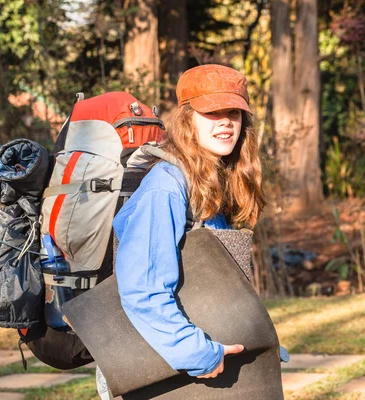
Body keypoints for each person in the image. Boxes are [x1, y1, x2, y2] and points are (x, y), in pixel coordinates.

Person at [106, 64, 266, 395]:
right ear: (187, 119)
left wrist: (260, 345)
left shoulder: (214, 180)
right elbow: (144, 290)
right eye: (212, 111)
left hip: (201, 358)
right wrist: (199, 354)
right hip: (161, 365)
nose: (225, 121)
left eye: (233, 111)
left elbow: (217, 284)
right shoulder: (167, 185)